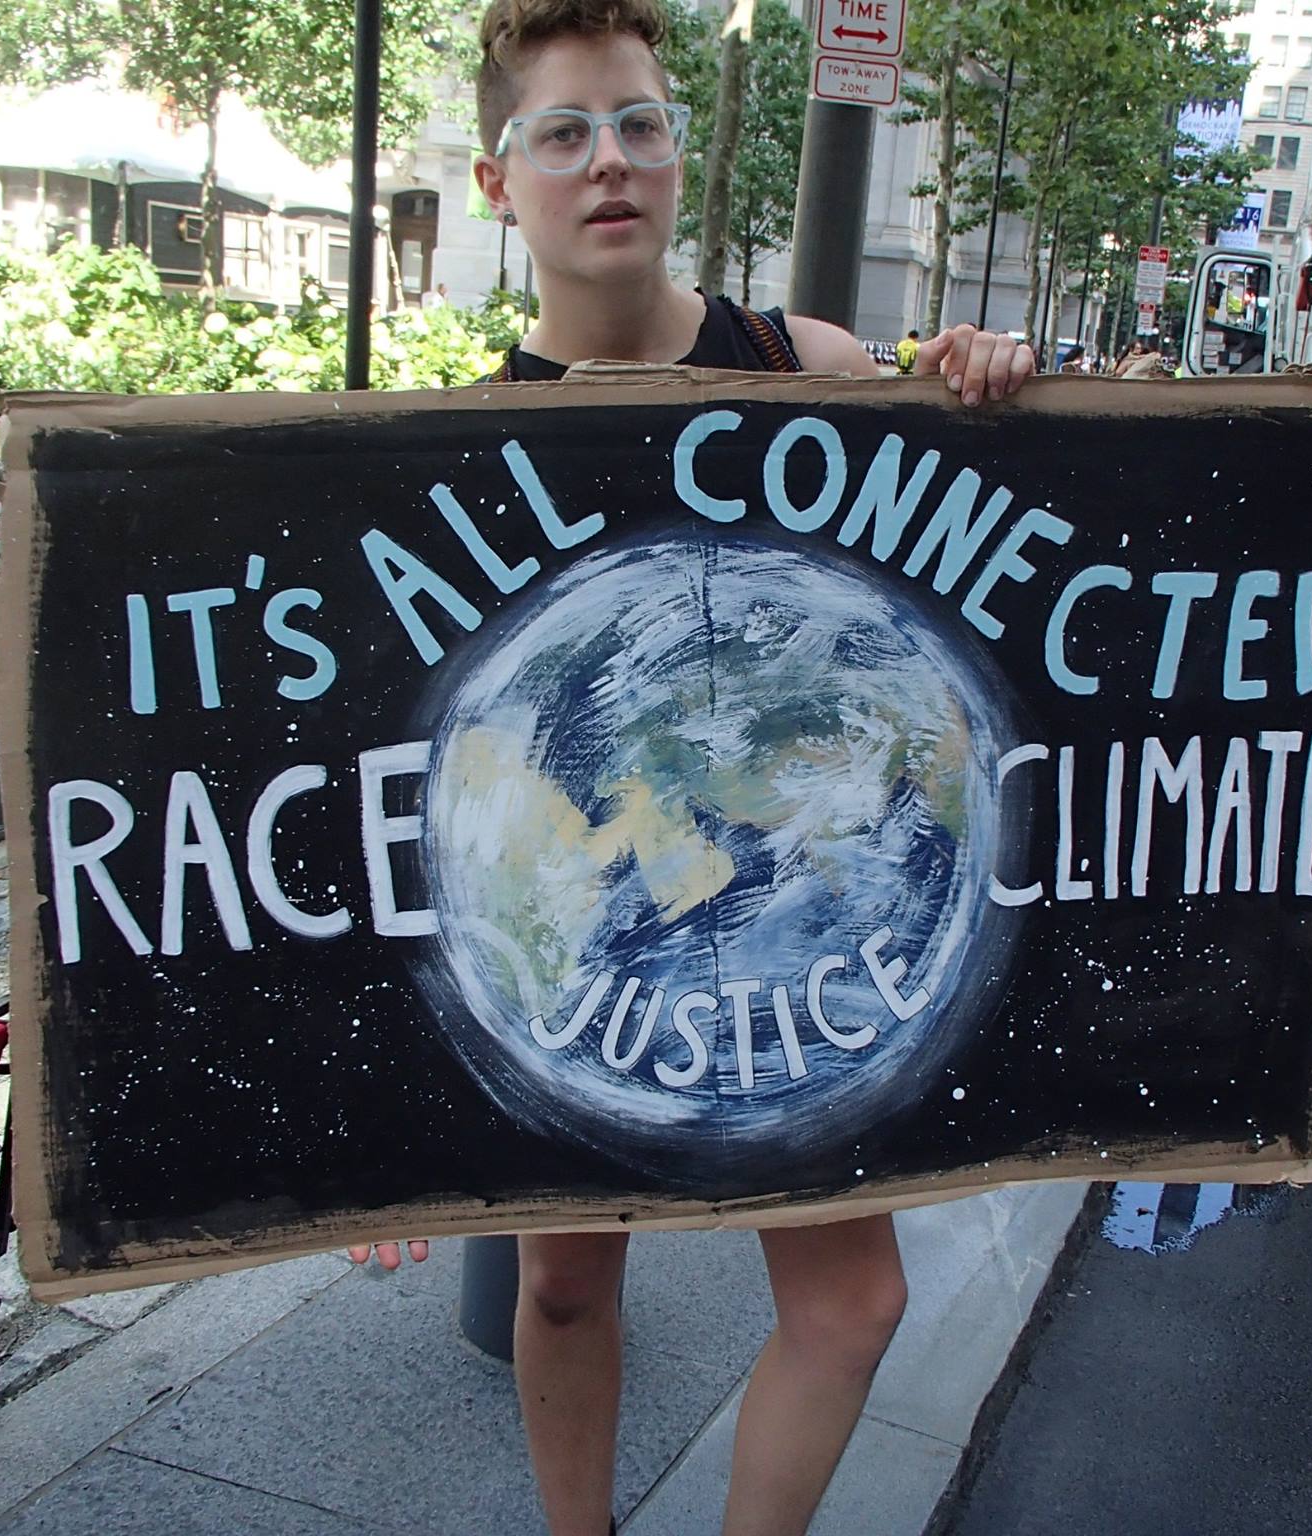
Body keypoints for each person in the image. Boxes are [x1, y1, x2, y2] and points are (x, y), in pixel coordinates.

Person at [348, 4, 1036, 1536]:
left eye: (642, 123)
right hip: (596, 923)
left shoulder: (808, 363)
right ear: (497, 177)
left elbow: (995, 529)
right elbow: (362, 776)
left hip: (819, 907)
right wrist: (373, 1140)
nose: (612, 161)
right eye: (566, 131)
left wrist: (978, 378)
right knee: (567, 1283)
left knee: (852, 1300)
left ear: (678, 151)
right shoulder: (447, 457)